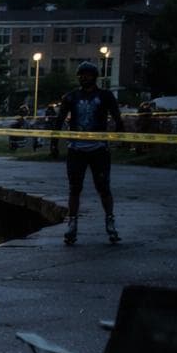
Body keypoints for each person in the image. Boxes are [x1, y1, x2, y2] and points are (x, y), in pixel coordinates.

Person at [56, 61, 124, 245]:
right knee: (74, 188)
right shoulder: (71, 97)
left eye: (86, 74)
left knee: (103, 187)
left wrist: (120, 135)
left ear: (94, 76)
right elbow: (59, 119)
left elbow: (117, 117)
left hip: (98, 149)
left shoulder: (105, 96)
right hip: (76, 149)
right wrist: (53, 142)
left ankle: (110, 221)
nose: (82, 77)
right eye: (80, 74)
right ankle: (72, 224)